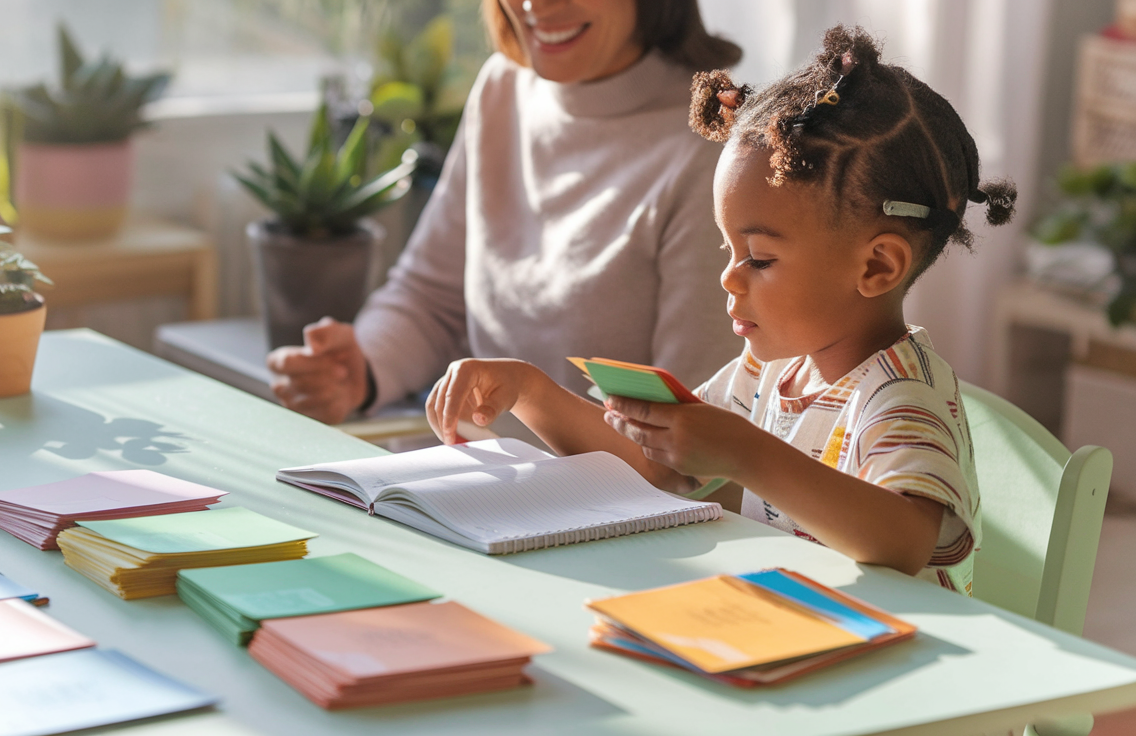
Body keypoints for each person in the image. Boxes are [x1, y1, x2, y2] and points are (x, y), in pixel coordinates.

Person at [424, 25, 1018, 594]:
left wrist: (744, 453)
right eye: (728, 248)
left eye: (759, 258)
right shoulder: (768, 372)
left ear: (876, 268)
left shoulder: (900, 394)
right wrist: (531, 392)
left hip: (903, 671)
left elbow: (904, 539)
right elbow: (655, 469)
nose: (729, 276)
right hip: (796, 644)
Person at [266, 0, 744, 425]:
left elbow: (687, 438)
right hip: (486, 483)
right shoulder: (503, 87)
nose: (536, 5)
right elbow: (432, 298)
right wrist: (361, 370)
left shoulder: (716, 149)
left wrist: (532, 399)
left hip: (612, 510)